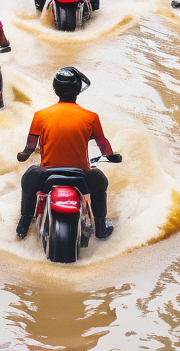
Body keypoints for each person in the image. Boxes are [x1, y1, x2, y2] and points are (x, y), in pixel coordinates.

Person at [15, 67, 122, 240]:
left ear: (55, 88)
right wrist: (111, 156)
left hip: (47, 176)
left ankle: (24, 224)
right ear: (78, 90)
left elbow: (29, 148)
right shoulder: (91, 117)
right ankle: (101, 226)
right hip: (81, 176)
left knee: (29, 178)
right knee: (100, 181)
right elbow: (103, 143)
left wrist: (23, 155)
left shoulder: (40, 115)